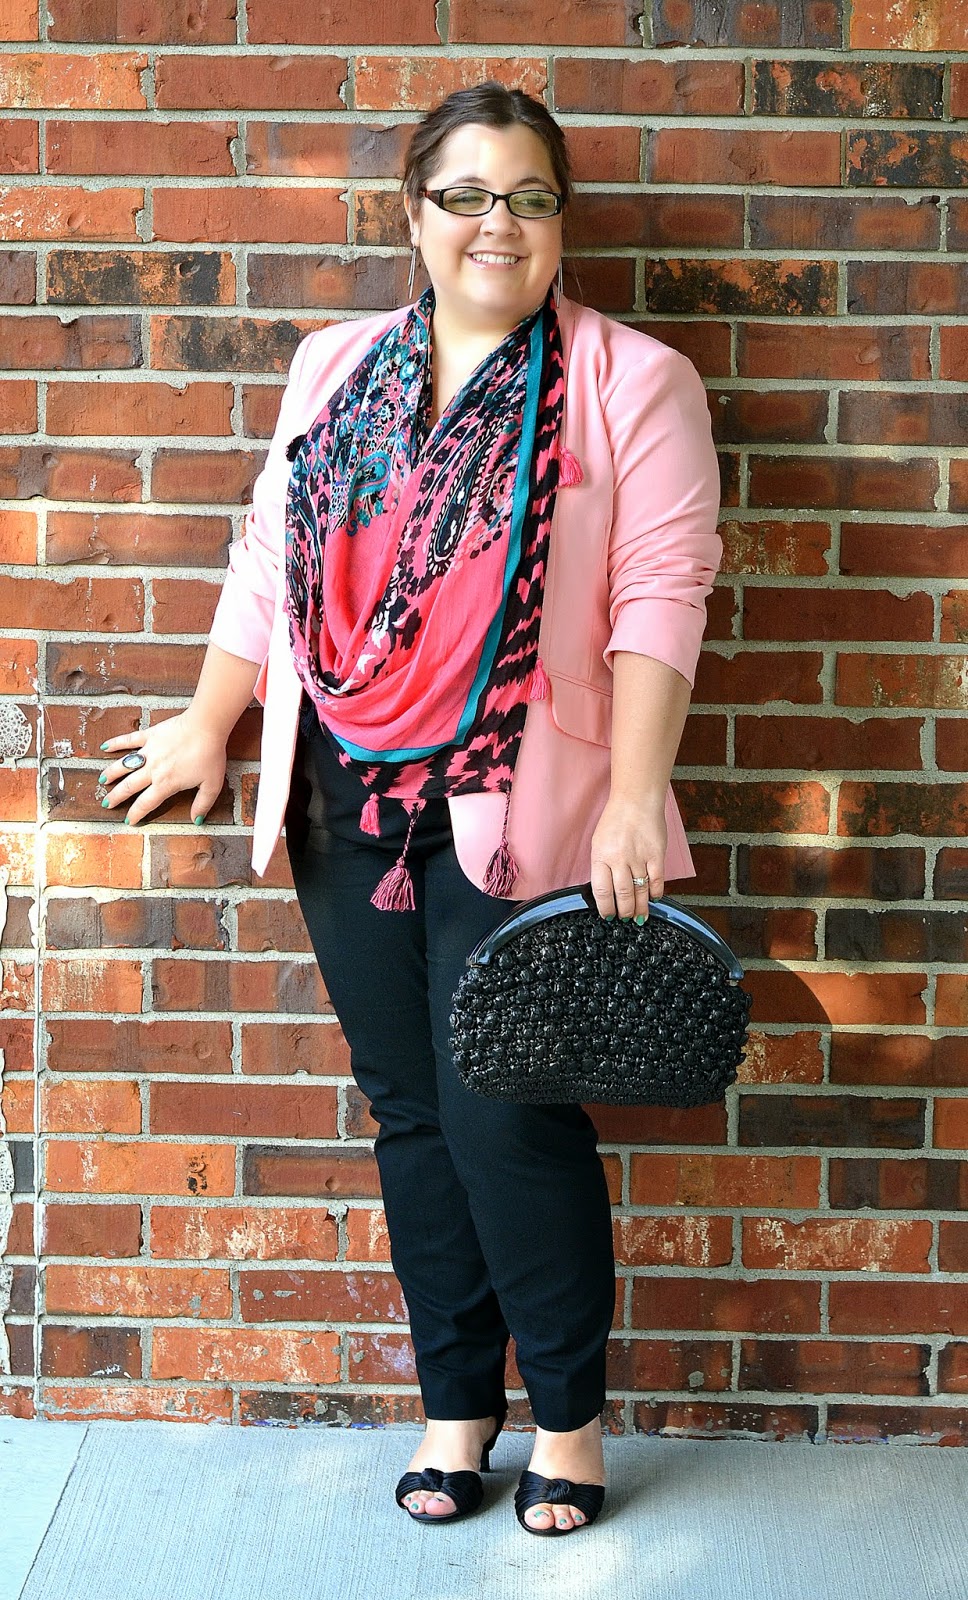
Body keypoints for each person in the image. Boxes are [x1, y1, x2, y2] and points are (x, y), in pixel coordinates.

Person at [97, 83, 722, 1536]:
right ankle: (458, 1410)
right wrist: (211, 717)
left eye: (531, 197)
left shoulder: (633, 382)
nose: (500, 223)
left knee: (507, 1111)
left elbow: (659, 594)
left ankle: (566, 1425)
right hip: (345, 794)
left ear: (560, 221)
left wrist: (636, 799)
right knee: (412, 1115)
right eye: (468, 195)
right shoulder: (335, 368)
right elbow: (271, 556)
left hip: (523, 794)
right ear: (415, 215)